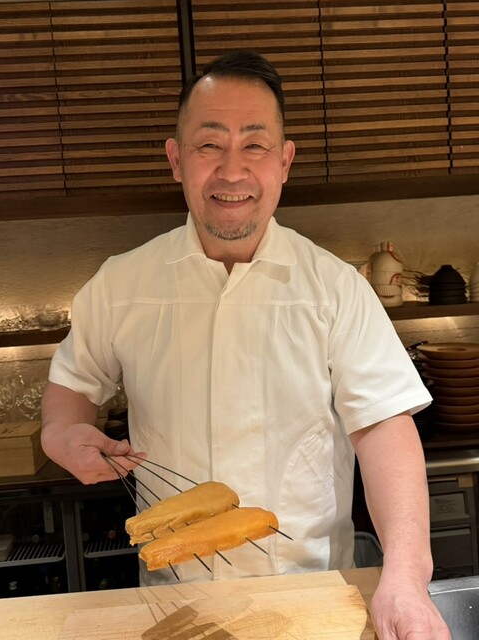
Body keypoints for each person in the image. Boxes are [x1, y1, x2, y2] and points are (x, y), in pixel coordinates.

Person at [40, 49, 450, 639]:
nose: (232, 172)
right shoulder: (121, 284)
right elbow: (72, 387)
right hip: (172, 599)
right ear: (176, 159)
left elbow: (384, 427)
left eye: (254, 145)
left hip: (314, 594)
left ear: (284, 162)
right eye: (209, 145)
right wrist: (61, 434)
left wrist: (407, 576)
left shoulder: (335, 288)